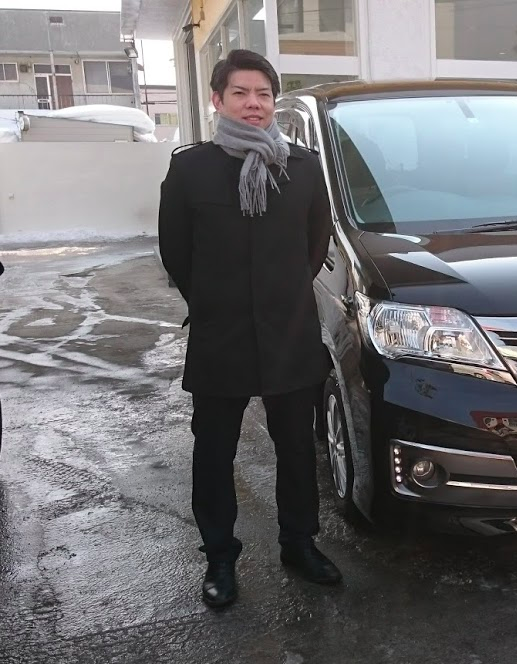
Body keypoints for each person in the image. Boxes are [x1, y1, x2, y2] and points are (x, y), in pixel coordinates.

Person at [158, 49, 340, 609]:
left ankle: (298, 543)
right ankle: (219, 556)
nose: (253, 103)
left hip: (289, 332)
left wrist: (281, 297)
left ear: (274, 102)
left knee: (296, 448)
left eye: (263, 93)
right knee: (214, 451)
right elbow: (176, 252)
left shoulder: (302, 168)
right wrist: (214, 302)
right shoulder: (191, 169)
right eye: (240, 92)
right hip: (221, 335)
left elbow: (315, 245)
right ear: (218, 100)